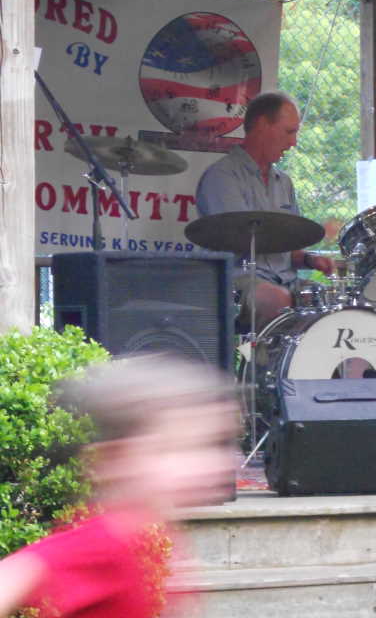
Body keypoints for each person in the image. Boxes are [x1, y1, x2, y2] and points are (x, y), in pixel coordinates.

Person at [0, 352, 238, 618]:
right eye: (176, 448)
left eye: (211, 443)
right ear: (115, 458)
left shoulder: (146, 536)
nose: (204, 462)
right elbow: (16, 572)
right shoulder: (101, 544)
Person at [196, 91, 334, 330]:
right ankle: (260, 356)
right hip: (238, 281)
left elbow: (290, 251)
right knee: (276, 299)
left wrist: (310, 259)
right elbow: (238, 238)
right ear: (262, 125)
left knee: (333, 302)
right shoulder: (222, 176)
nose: (293, 143)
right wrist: (307, 231)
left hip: (287, 281)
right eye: (289, 132)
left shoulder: (284, 182)